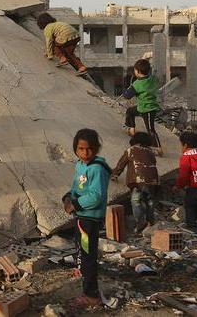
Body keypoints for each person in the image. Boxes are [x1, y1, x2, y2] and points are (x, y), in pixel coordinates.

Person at [62, 128, 111, 309]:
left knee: (87, 255)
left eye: (89, 149)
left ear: (96, 148)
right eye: (81, 149)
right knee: (82, 252)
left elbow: (96, 196)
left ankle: (91, 295)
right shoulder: (80, 165)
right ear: (75, 148)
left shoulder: (97, 168)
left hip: (89, 219)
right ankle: (85, 279)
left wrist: (76, 204)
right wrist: (69, 196)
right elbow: (77, 187)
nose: (85, 152)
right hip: (81, 218)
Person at [111, 132, 159, 233]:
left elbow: (121, 164)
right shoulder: (150, 152)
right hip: (152, 181)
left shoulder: (131, 150)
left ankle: (140, 222)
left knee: (135, 201)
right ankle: (151, 221)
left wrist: (115, 174)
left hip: (138, 180)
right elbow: (153, 164)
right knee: (150, 201)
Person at [122, 59, 162, 154]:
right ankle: (132, 129)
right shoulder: (152, 79)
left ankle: (158, 148)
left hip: (147, 109)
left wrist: (125, 90)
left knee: (151, 129)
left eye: (135, 70)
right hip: (147, 107)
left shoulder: (137, 84)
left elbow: (127, 96)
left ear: (138, 71)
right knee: (130, 111)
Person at [176, 131, 197, 233]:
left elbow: (184, 174)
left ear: (185, 145)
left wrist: (179, 186)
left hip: (194, 187)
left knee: (189, 205)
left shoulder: (186, 156)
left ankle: (191, 226)